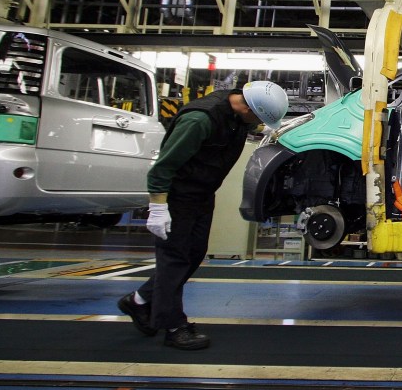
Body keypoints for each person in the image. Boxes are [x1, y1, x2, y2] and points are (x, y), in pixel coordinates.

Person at [117, 81, 289, 350]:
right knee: (174, 259)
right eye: (258, 119)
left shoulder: (237, 113)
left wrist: (272, 130)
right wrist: (158, 208)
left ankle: (139, 300)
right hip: (177, 197)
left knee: (194, 253)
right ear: (247, 108)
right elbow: (162, 168)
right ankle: (174, 327)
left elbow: (246, 127)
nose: (257, 123)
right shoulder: (199, 120)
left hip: (202, 194)